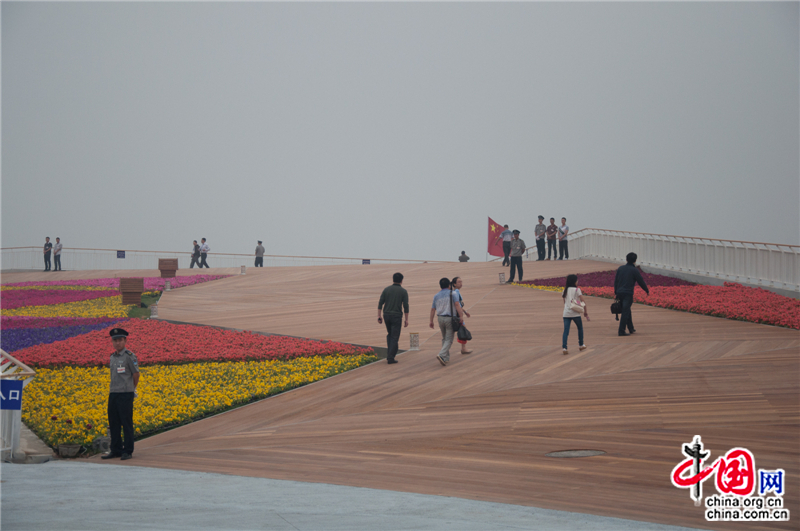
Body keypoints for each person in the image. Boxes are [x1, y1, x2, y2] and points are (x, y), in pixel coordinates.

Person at [101, 328, 139, 461]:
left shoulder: (129, 356)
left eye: (120, 340)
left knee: (126, 422)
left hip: (125, 393)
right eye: (115, 340)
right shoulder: (112, 357)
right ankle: (116, 449)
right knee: (114, 422)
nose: (117, 343)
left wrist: (131, 388)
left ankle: (127, 450)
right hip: (114, 393)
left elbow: (136, 374)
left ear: (125, 341)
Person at [429, 277, 466, 366]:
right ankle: (442, 354)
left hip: (440, 318)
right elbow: (457, 305)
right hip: (450, 318)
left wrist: (431, 321)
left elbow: (433, 309)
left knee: (444, 338)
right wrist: (461, 316)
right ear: (449, 285)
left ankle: (445, 357)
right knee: (449, 339)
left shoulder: (436, 295)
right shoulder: (453, 293)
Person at [614, 252, 650, 336]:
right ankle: (621, 331)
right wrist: (646, 290)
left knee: (627, 310)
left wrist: (616, 292)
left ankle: (631, 328)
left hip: (619, 292)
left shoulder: (620, 268)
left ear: (626, 259)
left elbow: (616, 281)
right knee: (625, 311)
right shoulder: (634, 270)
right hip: (628, 293)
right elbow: (640, 281)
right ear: (635, 261)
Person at [377, 272, 409, 364]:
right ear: (401, 281)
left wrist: (379, 316)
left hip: (386, 315)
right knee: (394, 337)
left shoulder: (386, 289)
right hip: (397, 316)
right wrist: (406, 319)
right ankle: (390, 357)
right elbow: (406, 306)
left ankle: (392, 352)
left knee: (390, 334)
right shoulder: (403, 291)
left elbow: (380, 303)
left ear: (393, 279)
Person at [562, 274, 589, 355]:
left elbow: (565, 302)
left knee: (566, 331)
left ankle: (564, 347)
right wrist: (585, 312)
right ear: (574, 282)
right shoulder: (577, 290)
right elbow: (583, 301)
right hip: (575, 313)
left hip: (566, 313)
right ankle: (581, 344)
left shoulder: (565, 290)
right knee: (580, 328)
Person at [451, 277, 472, 355]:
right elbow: (457, 305)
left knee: (462, 330)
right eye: (459, 282)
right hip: (457, 315)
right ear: (454, 284)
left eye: (461, 281)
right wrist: (462, 314)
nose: (461, 283)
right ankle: (463, 348)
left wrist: (465, 312)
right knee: (463, 330)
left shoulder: (456, 291)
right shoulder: (456, 292)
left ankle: (463, 347)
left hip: (457, 314)